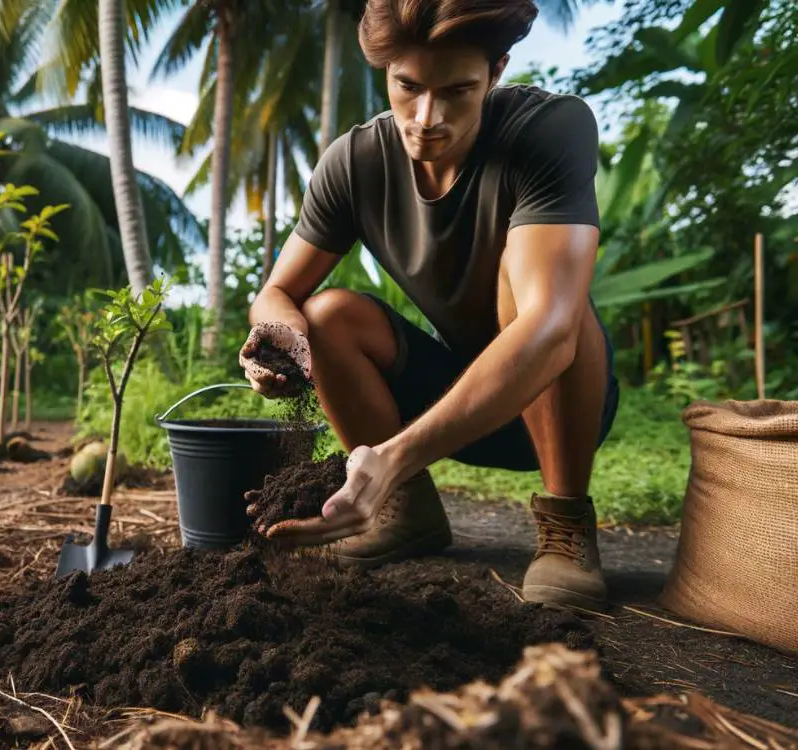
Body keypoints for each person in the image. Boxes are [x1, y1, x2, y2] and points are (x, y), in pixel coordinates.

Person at [238, 0, 620, 609]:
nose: (426, 117)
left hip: (557, 402)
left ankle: (566, 523)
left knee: (533, 295)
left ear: (496, 72)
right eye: (407, 87)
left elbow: (550, 328)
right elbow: (275, 295)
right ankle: (403, 511)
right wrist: (283, 337)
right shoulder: (356, 161)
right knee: (326, 314)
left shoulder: (550, 128)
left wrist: (388, 457)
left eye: (458, 91)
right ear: (385, 71)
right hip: (446, 399)